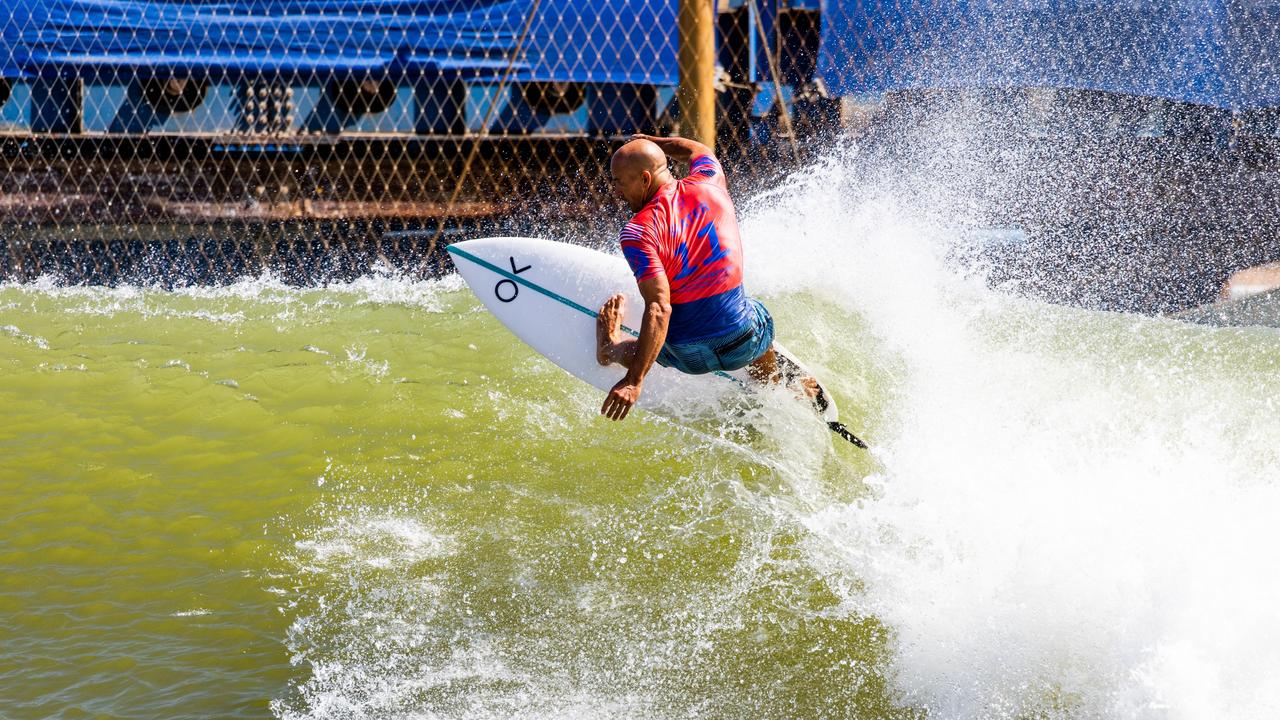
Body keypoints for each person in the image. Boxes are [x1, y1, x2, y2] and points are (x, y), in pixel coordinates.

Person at [596, 134, 780, 422]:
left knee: (656, 344)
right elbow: (697, 149)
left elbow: (659, 307)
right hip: (742, 342)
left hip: (687, 357)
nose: (616, 191)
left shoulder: (637, 232)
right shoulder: (711, 180)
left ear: (645, 179)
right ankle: (770, 385)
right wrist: (653, 141)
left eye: (619, 182)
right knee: (758, 315)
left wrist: (634, 381)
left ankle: (610, 349)